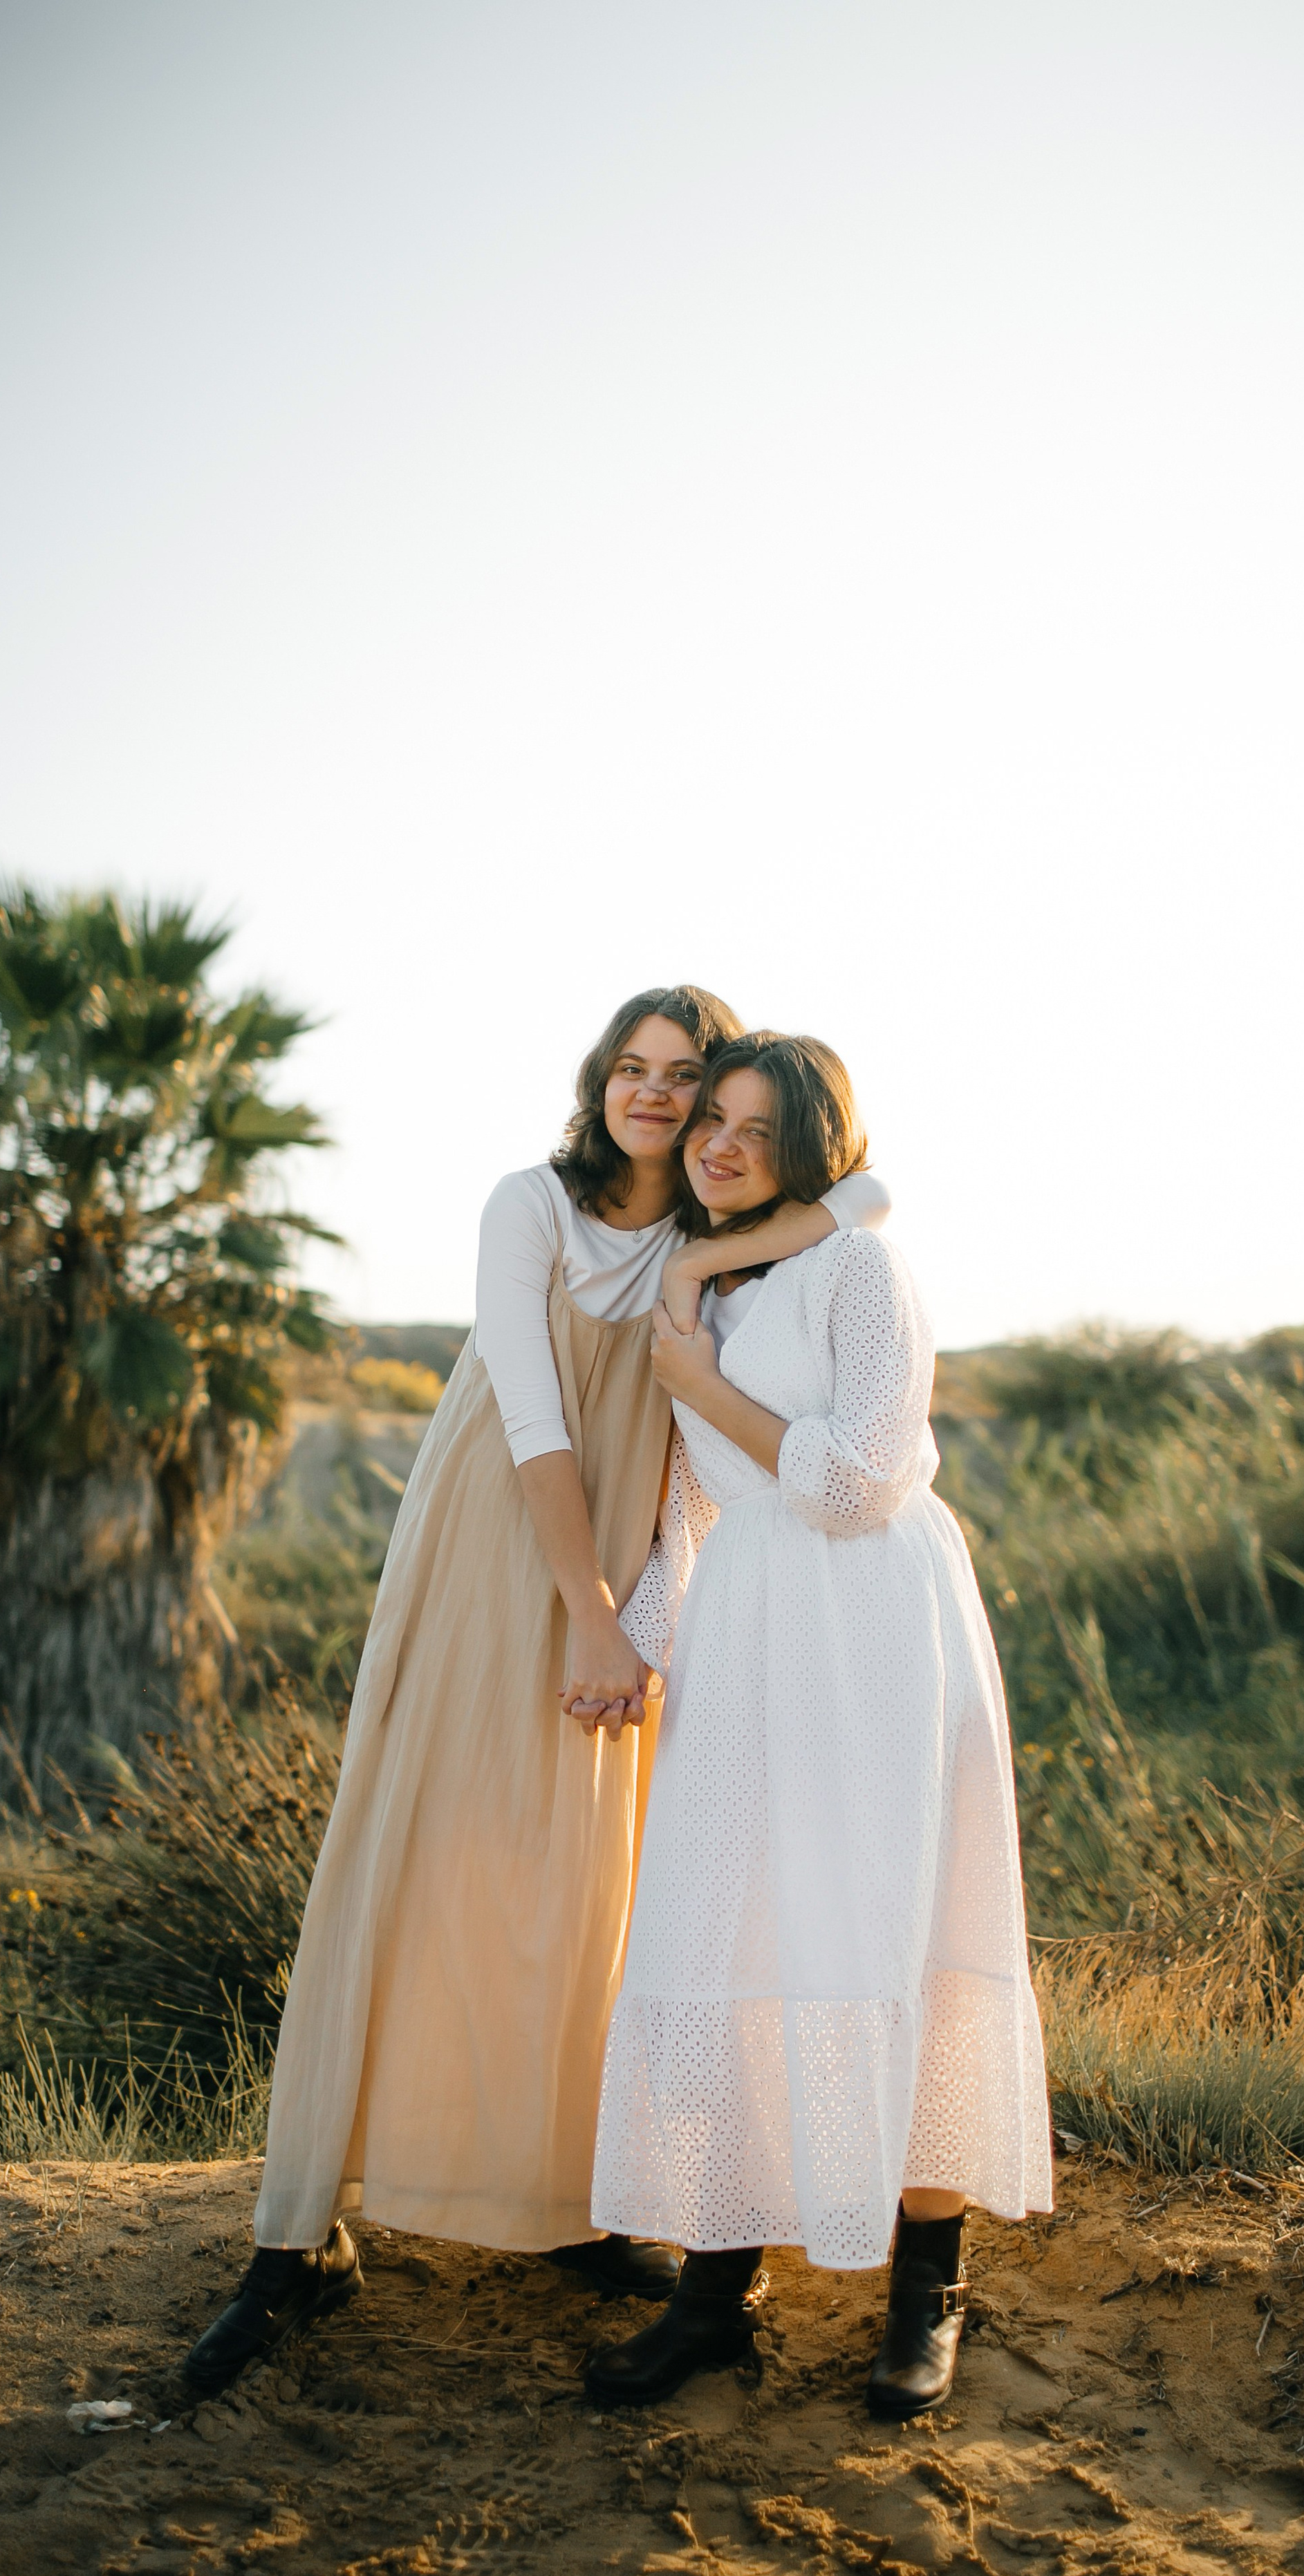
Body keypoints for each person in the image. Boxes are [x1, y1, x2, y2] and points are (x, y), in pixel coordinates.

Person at [183, 989, 893, 2396]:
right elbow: (531, 1417)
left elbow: (863, 1197)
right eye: (627, 1068)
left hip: (622, 1586)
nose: (648, 1094)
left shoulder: (710, 1247)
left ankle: (559, 2208)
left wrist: (634, 1612)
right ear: (598, 1081)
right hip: (498, 1542)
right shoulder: (530, 1207)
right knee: (415, 1849)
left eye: (680, 1078)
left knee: (585, 1880)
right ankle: (299, 2236)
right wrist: (586, 1616)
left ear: (717, 1107)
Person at [581, 1032, 1051, 2418]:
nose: (717, 1144)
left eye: (754, 1128)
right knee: (726, 1926)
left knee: (887, 1925)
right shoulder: (709, 1280)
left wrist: (698, 1381)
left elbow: (859, 1483)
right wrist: (629, 1644)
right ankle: (716, 2294)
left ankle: (927, 2290)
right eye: (708, 1119)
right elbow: (691, 1509)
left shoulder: (858, 1270)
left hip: (871, 1628)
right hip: (746, 1631)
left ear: (810, 1149)